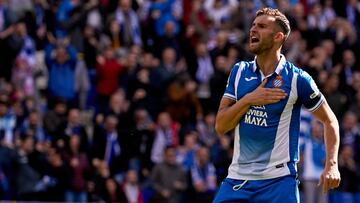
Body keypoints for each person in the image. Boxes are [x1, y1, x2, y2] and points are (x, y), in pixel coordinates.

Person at [213, 7, 341, 203]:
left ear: (278, 37)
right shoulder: (239, 72)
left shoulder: (298, 79)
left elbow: (329, 120)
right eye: (253, 25)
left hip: (279, 183)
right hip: (238, 181)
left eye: (262, 26)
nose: (253, 30)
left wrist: (332, 165)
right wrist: (249, 99)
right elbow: (221, 126)